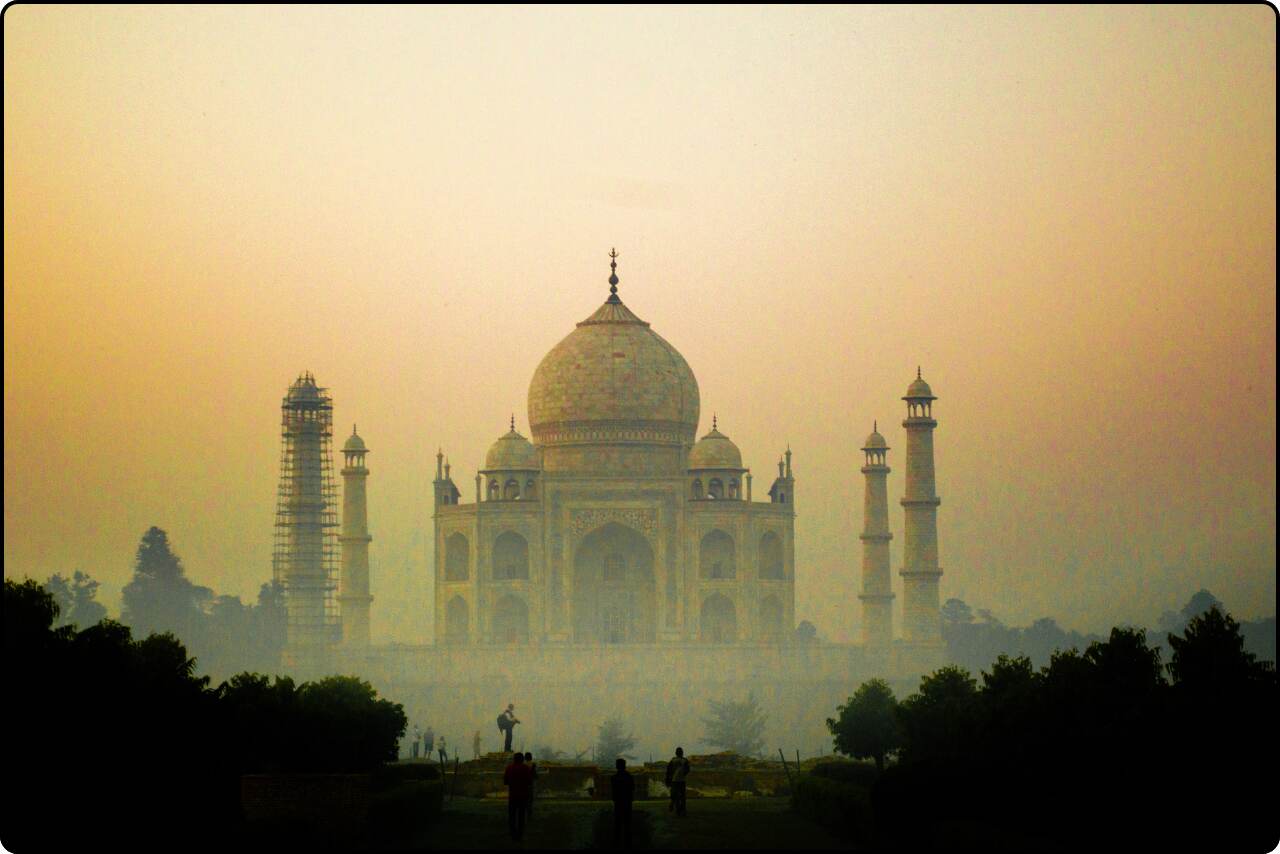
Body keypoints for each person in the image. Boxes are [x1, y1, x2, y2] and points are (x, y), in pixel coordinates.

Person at [503, 751, 533, 842]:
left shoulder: (509, 768)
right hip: (523, 795)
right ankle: (520, 834)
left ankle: (513, 834)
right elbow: (529, 782)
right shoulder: (526, 768)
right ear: (522, 759)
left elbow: (505, 782)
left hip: (512, 795)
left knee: (512, 815)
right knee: (521, 816)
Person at [611, 757, 635, 849]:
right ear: (625, 766)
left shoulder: (614, 777)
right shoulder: (629, 777)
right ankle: (628, 841)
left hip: (618, 801)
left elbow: (614, 790)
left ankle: (617, 841)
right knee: (627, 822)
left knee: (618, 821)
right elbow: (632, 788)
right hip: (627, 800)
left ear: (617, 766)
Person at [666, 746, 691, 817]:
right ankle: (682, 811)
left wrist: (668, 780)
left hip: (674, 781)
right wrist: (683, 774)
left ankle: (675, 808)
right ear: (682, 753)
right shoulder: (685, 760)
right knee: (682, 797)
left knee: (674, 795)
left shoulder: (673, 760)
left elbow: (669, 771)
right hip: (682, 781)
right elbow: (687, 770)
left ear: (676, 753)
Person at [524, 751, 537, 821]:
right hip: (531, 784)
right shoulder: (533, 765)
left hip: (524, 784)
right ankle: (529, 813)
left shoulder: (523, 765)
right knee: (530, 799)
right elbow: (535, 775)